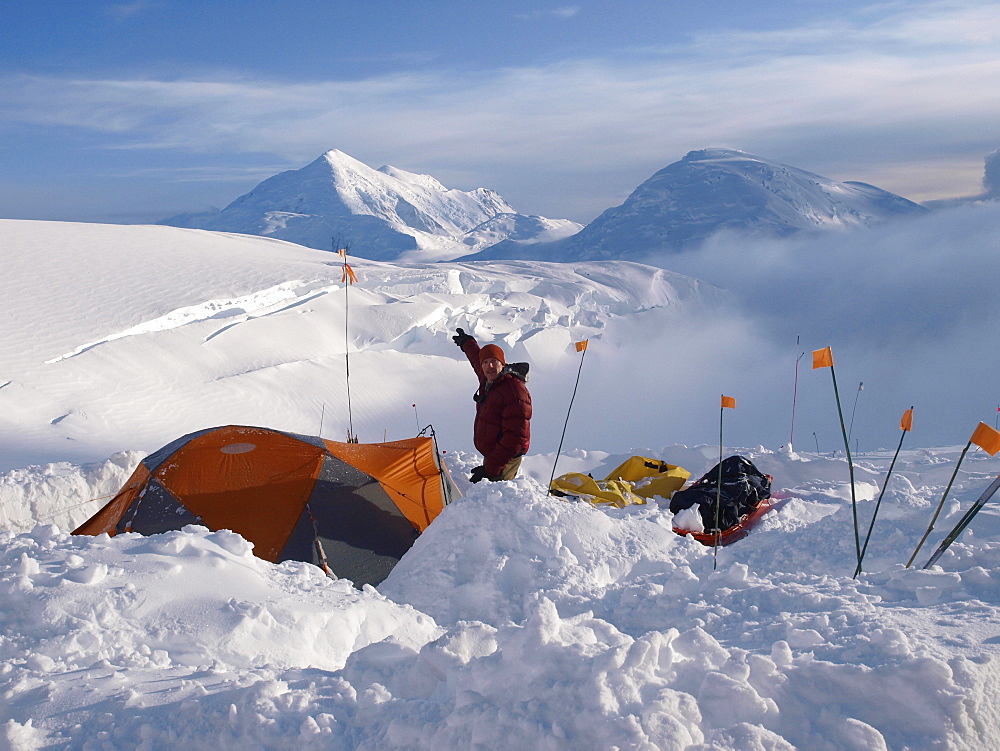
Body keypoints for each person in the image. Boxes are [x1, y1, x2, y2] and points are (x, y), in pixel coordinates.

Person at [452, 328, 531, 482]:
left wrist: (490, 469)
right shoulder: (489, 379)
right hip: (495, 454)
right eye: (486, 363)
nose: (489, 367)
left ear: (502, 364)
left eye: (494, 362)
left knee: (497, 498)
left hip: (506, 458)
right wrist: (467, 343)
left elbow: (515, 438)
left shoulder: (514, 392)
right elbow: (477, 359)